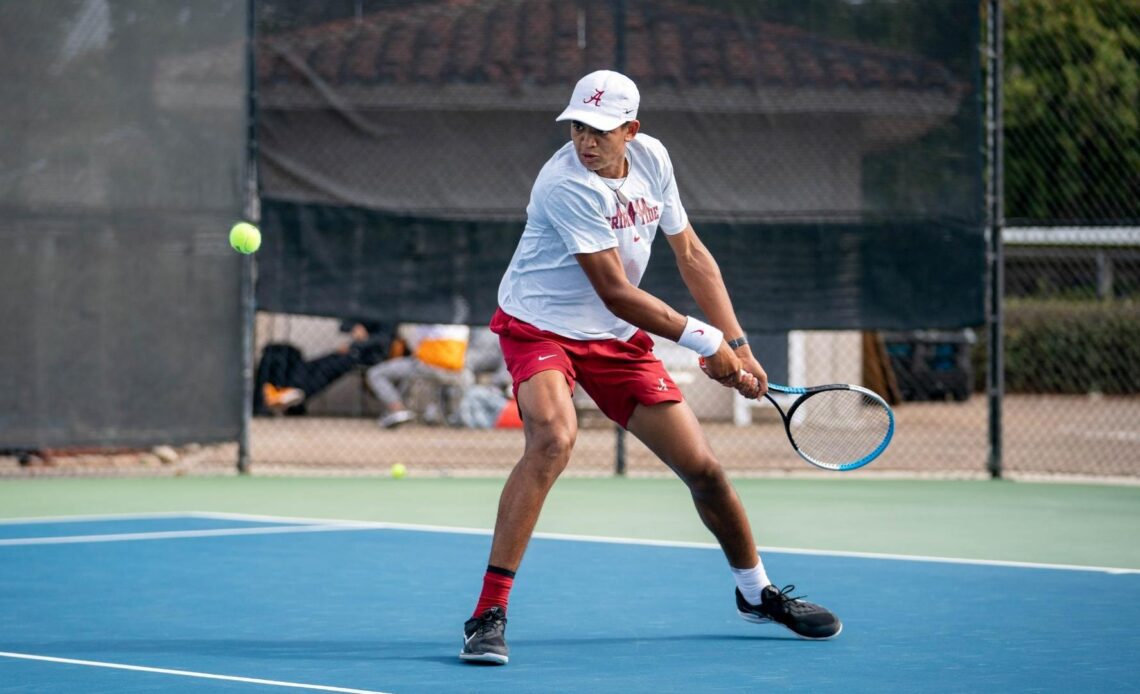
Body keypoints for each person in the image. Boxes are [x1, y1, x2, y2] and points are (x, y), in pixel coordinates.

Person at [459, 70, 841, 665]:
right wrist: (704, 340)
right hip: (541, 326)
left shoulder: (654, 160)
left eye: (602, 131)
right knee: (553, 439)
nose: (586, 141)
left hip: (615, 341)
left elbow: (690, 253)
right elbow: (614, 290)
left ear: (632, 131)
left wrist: (737, 346)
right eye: (578, 127)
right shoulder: (566, 184)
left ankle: (755, 593)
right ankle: (488, 614)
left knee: (705, 471)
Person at [255, 320, 390, 415]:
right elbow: (344, 324)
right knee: (316, 363)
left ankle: (298, 393)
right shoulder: (364, 306)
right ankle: (291, 390)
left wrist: (360, 343)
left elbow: (385, 339)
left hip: (372, 355)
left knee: (330, 367)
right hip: (353, 351)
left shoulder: (388, 313)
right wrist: (355, 326)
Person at [365, 323, 472, 427]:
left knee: (375, 374)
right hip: (458, 370)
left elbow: (412, 345)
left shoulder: (423, 316)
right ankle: (443, 414)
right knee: (415, 373)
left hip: (427, 366)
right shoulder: (460, 320)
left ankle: (397, 409)